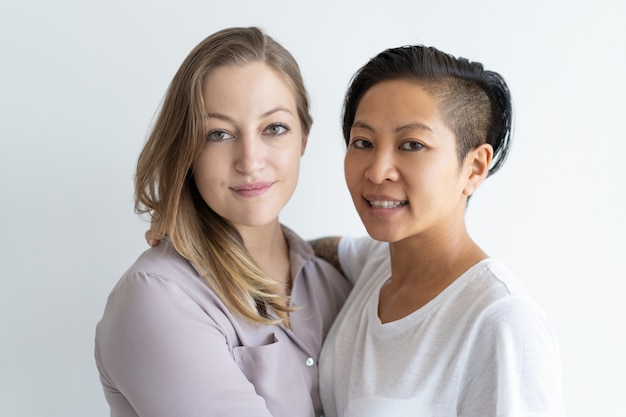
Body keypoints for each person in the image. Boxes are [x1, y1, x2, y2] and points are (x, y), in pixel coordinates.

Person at [94, 27, 351, 417]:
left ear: (303, 139)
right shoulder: (159, 297)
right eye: (218, 134)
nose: (250, 161)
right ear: (186, 150)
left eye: (274, 128)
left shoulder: (331, 282)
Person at [315, 45, 565, 416]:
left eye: (412, 145)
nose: (378, 170)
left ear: (475, 168)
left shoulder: (502, 321)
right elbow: (314, 250)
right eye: (363, 142)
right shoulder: (377, 265)